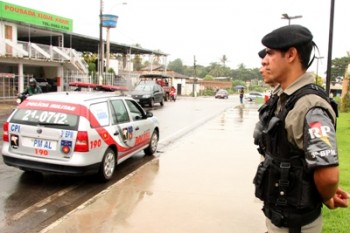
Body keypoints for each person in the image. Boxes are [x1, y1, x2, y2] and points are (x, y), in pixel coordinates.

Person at [253, 25, 349, 233]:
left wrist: (326, 195)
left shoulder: (309, 106)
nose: (264, 60)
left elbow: (328, 175)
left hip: (295, 226)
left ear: (291, 54)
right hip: (279, 218)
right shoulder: (285, 99)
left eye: (270, 53)